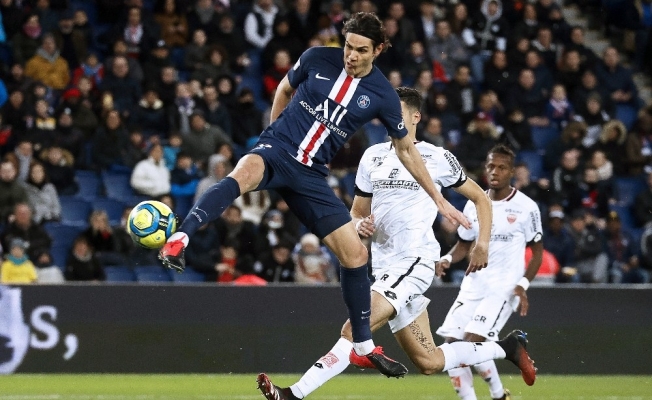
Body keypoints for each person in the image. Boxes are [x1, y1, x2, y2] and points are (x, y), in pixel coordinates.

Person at [159, 12, 471, 377]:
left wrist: (439, 199)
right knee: (241, 173)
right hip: (278, 150)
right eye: (348, 46)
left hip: (311, 175)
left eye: (361, 50)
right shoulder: (317, 58)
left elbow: (406, 150)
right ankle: (180, 238)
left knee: (355, 254)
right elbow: (283, 89)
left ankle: (363, 346)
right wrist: (272, 135)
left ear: (379, 50)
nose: (351, 55)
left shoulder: (383, 95)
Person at [257, 88, 536, 400]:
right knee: (429, 361)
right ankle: (507, 348)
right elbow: (357, 212)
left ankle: (293, 394)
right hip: (385, 268)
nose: (390, 117)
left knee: (355, 329)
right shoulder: (372, 156)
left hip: (415, 262)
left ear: (416, 117)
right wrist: (358, 224)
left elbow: (481, 199)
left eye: (397, 112)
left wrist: (481, 244)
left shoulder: (437, 157)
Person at [436, 144, 543, 400]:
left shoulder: (527, 207)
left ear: (512, 172)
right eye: (491, 166)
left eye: (502, 167)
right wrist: (448, 258)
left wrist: (523, 284)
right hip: (473, 285)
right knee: (451, 349)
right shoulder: (474, 203)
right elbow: (463, 245)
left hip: (503, 287)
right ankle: (498, 396)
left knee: (470, 344)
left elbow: (537, 252)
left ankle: (499, 389)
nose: (495, 172)